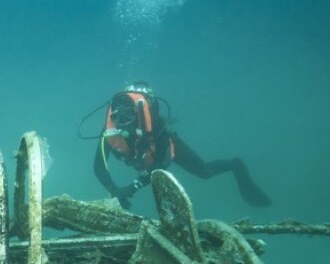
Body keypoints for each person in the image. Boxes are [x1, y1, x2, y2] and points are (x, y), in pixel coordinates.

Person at [93, 82, 272, 210]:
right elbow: (99, 166)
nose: (123, 123)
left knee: (204, 172)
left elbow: (162, 164)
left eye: (128, 117)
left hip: (164, 152)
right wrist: (115, 191)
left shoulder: (155, 126)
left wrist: (133, 187)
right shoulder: (111, 131)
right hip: (143, 160)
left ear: (139, 113)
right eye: (118, 117)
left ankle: (236, 165)